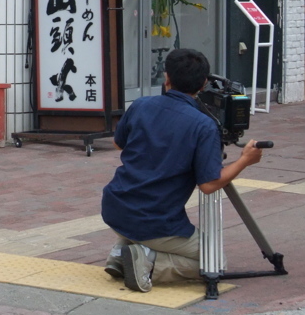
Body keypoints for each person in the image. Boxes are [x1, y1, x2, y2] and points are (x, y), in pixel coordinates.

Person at [101, 48, 264, 292]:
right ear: (204, 84)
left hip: (114, 207)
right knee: (214, 260)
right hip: (153, 222)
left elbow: (118, 142)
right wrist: (245, 160)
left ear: (166, 77)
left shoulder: (141, 104)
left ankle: (119, 252)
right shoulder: (203, 125)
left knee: (141, 214)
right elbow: (209, 185)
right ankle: (147, 261)